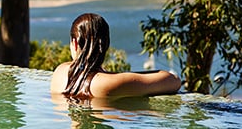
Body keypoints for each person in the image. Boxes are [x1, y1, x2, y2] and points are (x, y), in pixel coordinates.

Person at [49, 13, 181, 99]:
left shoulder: (60, 72)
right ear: (106, 44)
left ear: (75, 43)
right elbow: (174, 81)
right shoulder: (111, 83)